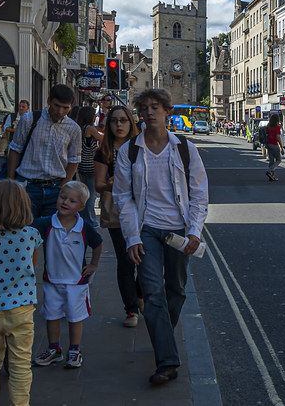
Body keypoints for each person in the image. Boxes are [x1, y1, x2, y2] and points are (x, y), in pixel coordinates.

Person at [113, 88, 209, 386]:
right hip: (147, 229)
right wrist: (132, 237)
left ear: (168, 112)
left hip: (178, 230)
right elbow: (123, 197)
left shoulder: (184, 149)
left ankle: (162, 332)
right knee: (152, 293)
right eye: (144, 108)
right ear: (139, 113)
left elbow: (199, 194)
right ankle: (167, 361)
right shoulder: (129, 151)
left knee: (176, 289)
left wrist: (194, 230)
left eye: (156, 107)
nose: (150, 112)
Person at [0, 180, 43, 406]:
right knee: (21, 363)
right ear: (24, 205)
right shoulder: (31, 235)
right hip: (22, 309)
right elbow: (31, 269)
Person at [31, 181, 103, 370]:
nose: (65, 202)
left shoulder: (84, 226)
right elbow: (27, 230)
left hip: (76, 282)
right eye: (63, 197)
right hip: (52, 280)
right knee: (51, 315)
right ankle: (54, 349)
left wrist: (94, 264)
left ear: (81, 207)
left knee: (74, 317)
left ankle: (74, 350)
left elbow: (98, 243)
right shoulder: (46, 223)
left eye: (71, 201)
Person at [94, 104, 143, 328]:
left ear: (131, 123)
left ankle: (140, 296)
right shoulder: (104, 152)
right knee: (125, 261)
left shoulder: (140, 147)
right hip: (116, 210)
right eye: (114, 121)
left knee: (145, 258)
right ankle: (131, 309)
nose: (119, 125)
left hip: (143, 210)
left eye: (123, 120)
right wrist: (111, 185)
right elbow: (98, 185)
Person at [7, 84, 81, 218]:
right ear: (49, 101)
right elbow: (15, 149)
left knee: (50, 233)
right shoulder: (29, 120)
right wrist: (11, 182)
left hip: (55, 188)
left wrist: (63, 187)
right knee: (24, 229)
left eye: (65, 108)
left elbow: (74, 160)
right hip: (27, 186)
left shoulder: (73, 128)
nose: (60, 111)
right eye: (56, 105)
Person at [76, 106, 104, 228]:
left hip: (81, 165)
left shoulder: (80, 128)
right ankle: (92, 221)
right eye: (94, 115)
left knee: (84, 195)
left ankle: (83, 219)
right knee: (91, 197)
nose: (95, 117)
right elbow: (102, 138)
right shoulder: (90, 128)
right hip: (91, 166)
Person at [265, 113, 284, 181]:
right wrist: (281, 147)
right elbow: (278, 137)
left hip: (268, 144)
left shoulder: (268, 126)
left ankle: (271, 176)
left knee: (271, 161)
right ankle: (270, 170)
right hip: (274, 144)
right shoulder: (277, 127)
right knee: (279, 160)